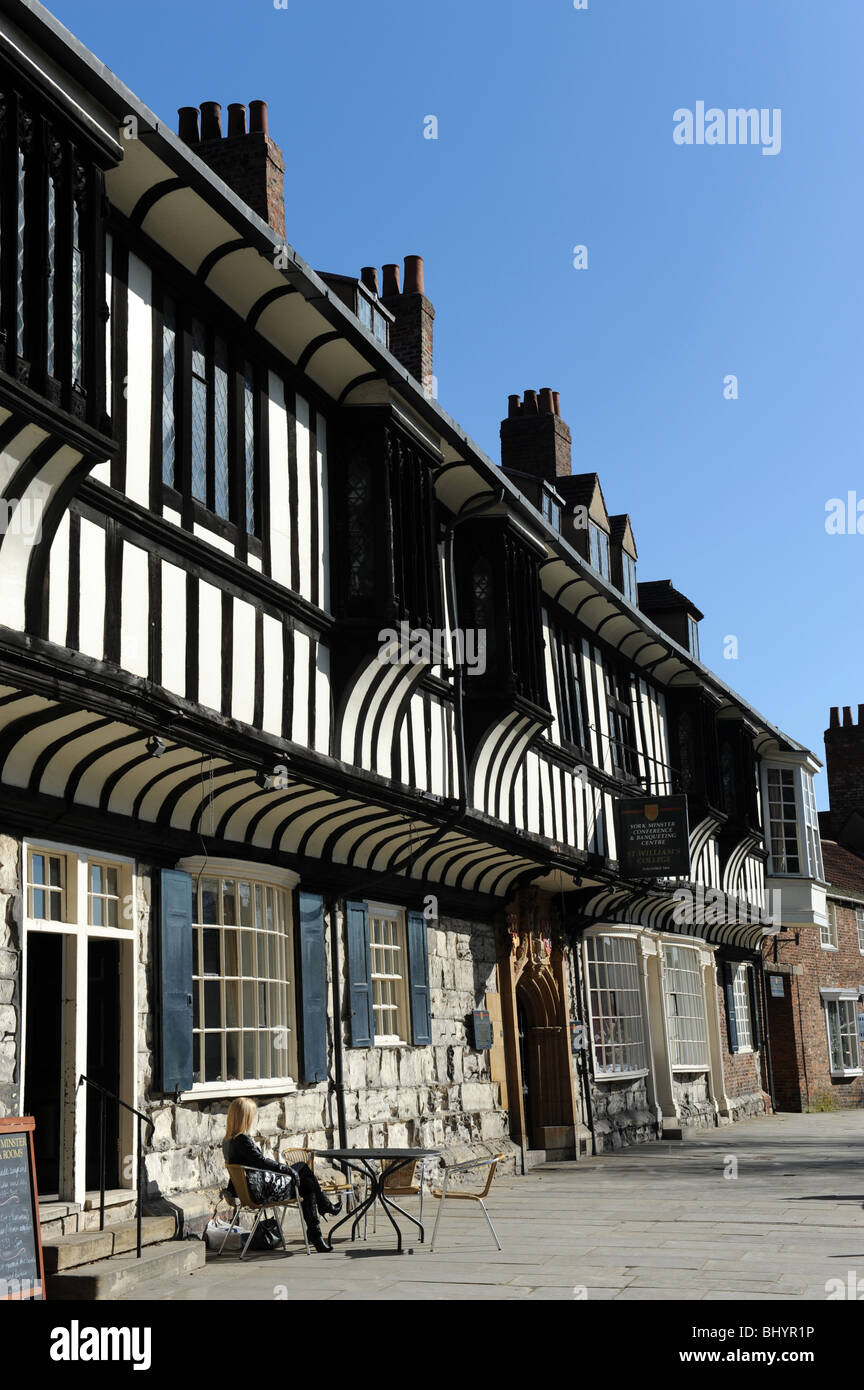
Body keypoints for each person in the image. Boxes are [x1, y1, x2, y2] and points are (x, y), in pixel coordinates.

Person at [222, 1097, 341, 1253]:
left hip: (251, 1190)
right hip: (261, 1192)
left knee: (306, 1183)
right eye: (251, 1115)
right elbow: (262, 1162)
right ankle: (322, 1215)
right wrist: (287, 1170)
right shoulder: (243, 1140)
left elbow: (258, 1163)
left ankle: (319, 1226)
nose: (253, 1118)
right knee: (304, 1175)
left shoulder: (228, 1141)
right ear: (245, 1117)